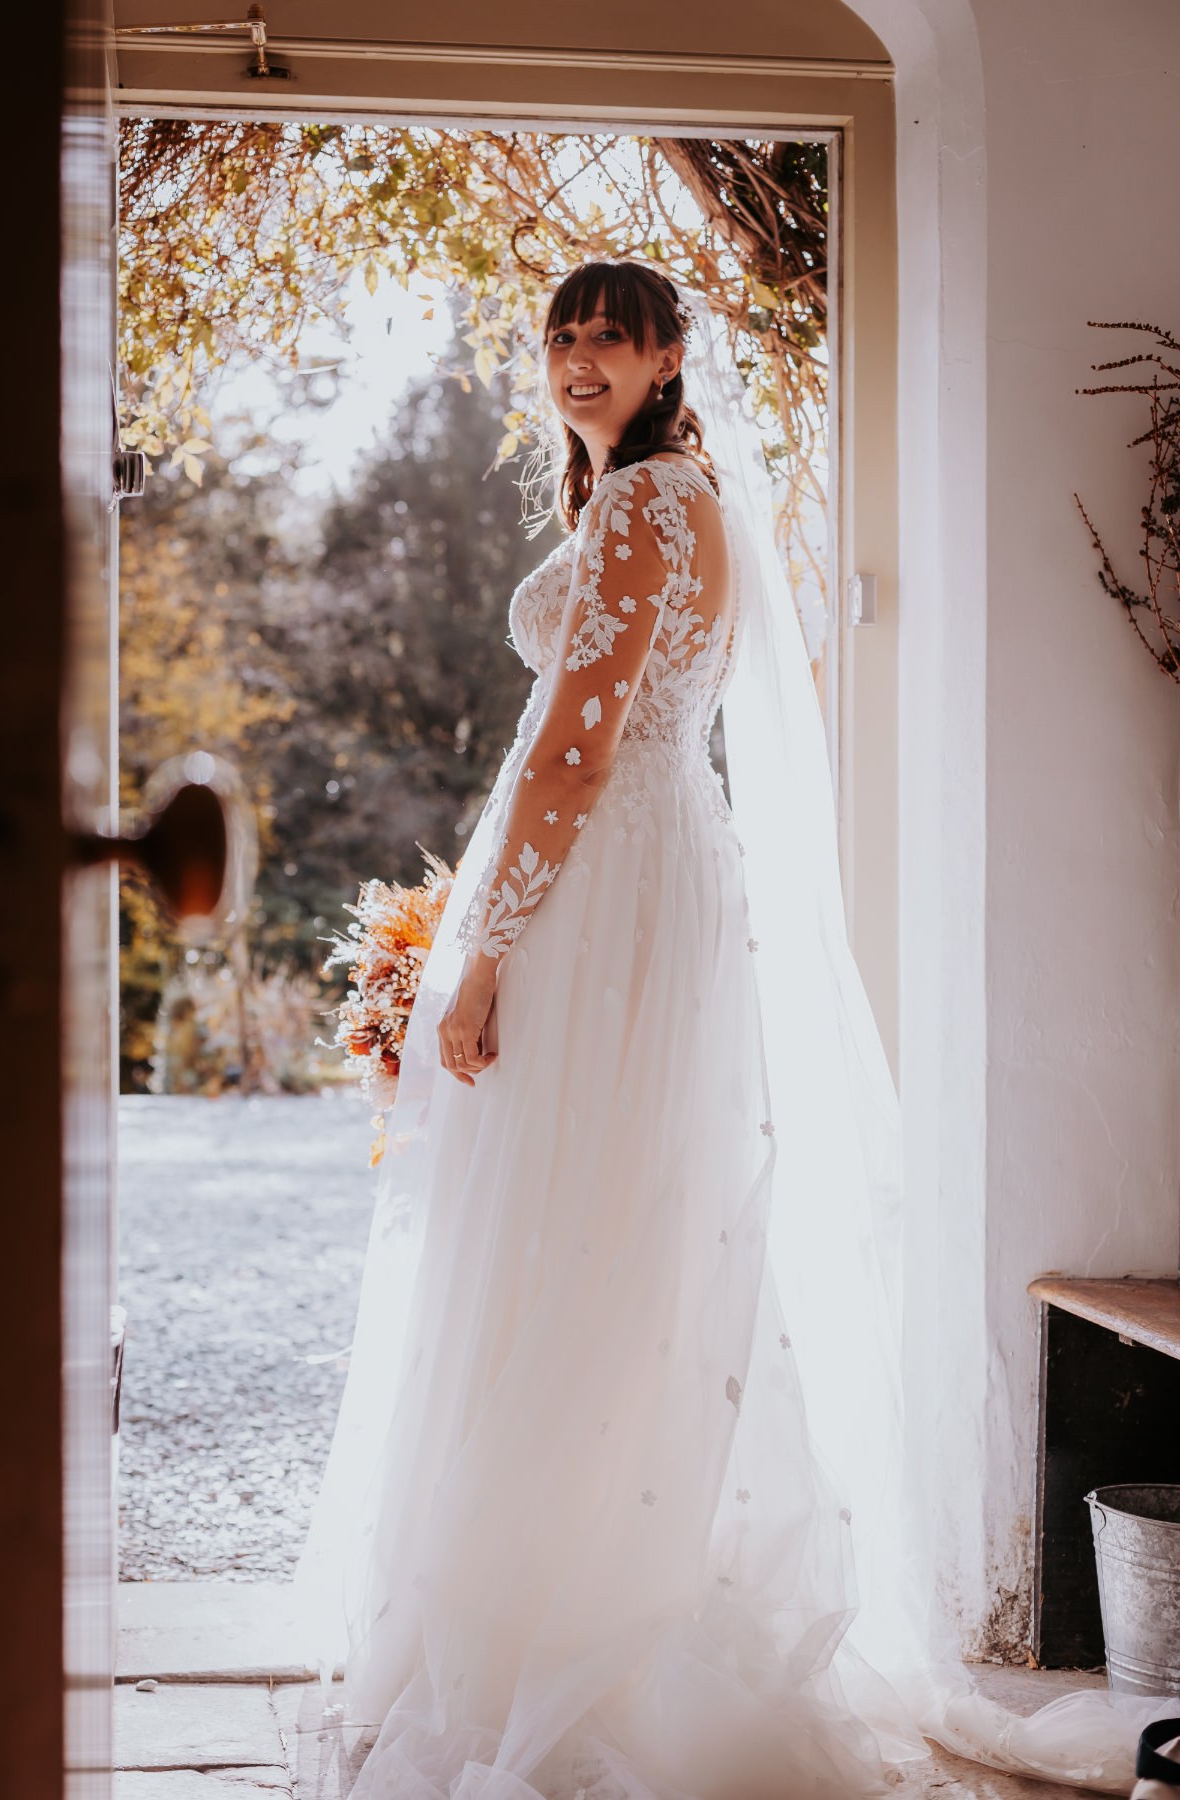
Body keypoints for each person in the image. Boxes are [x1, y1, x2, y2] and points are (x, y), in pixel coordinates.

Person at [297, 261, 1173, 1799]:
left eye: (609, 337)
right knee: (602, 1229)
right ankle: (557, 1585)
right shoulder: (646, 495)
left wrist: (487, 950)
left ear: (667, 357)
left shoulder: (650, 501)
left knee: (582, 1231)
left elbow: (576, 752)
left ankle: (568, 1624)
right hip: (638, 874)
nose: (579, 359)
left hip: (610, 888)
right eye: (562, 337)